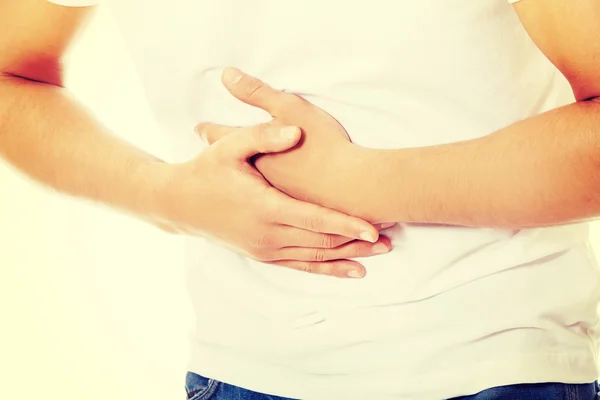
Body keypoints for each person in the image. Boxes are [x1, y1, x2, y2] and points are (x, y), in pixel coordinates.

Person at [1, 0, 600, 398]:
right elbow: (10, 75)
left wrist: (361, 182)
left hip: (492, 363)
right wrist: (168, 196)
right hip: (238, 369)